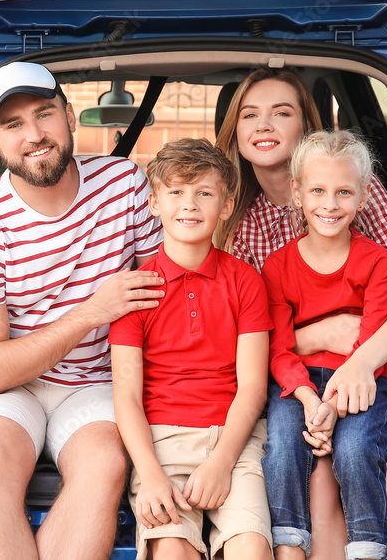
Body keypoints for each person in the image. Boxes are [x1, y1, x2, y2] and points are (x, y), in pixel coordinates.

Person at [214, 67, 387, 560]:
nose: (264, 124)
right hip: (294, 378)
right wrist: (323, 331)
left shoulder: (353, 190)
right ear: (235, 129)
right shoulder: (239, 220)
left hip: (386, 367)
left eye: (283, 112)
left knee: (364, 462)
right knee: (310, 468)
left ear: (307, 129)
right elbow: (246, 337)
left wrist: (360, 360)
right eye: (250, 114)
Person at [0, 61, 165, 559]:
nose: (34, 135)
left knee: (107, 464)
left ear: (70, 116)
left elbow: (165, 293)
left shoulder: (124, 185)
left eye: (44, 114)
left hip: (95, 381)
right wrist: (91, 313)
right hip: (13, 386)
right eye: (13, 125)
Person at [110, 138, 274, 560]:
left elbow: (253, 387)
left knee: (252, 548)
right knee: (170, 550)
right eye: (176, 192)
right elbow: (126, 397)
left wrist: (221, 461)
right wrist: (148, 473)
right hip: (161, 443)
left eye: (204, 193)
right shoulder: (135, 289)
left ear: (225, 206)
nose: (190, 204)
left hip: (235, 441)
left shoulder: (245, 281)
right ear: (153, 203)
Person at [262, 130, 387, 560]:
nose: (330, 204)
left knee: (357, 448)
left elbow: (371, 342)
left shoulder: (378, 261)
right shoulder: (278, 265)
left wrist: (333, 407)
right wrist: (307, 397)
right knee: (283, 442)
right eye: (318, 190)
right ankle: (288, 542)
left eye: (344, 192)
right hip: (298, 383)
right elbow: (280, 350)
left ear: (362, 199)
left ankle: (368, 548)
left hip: (364, 378)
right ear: (297, 194)